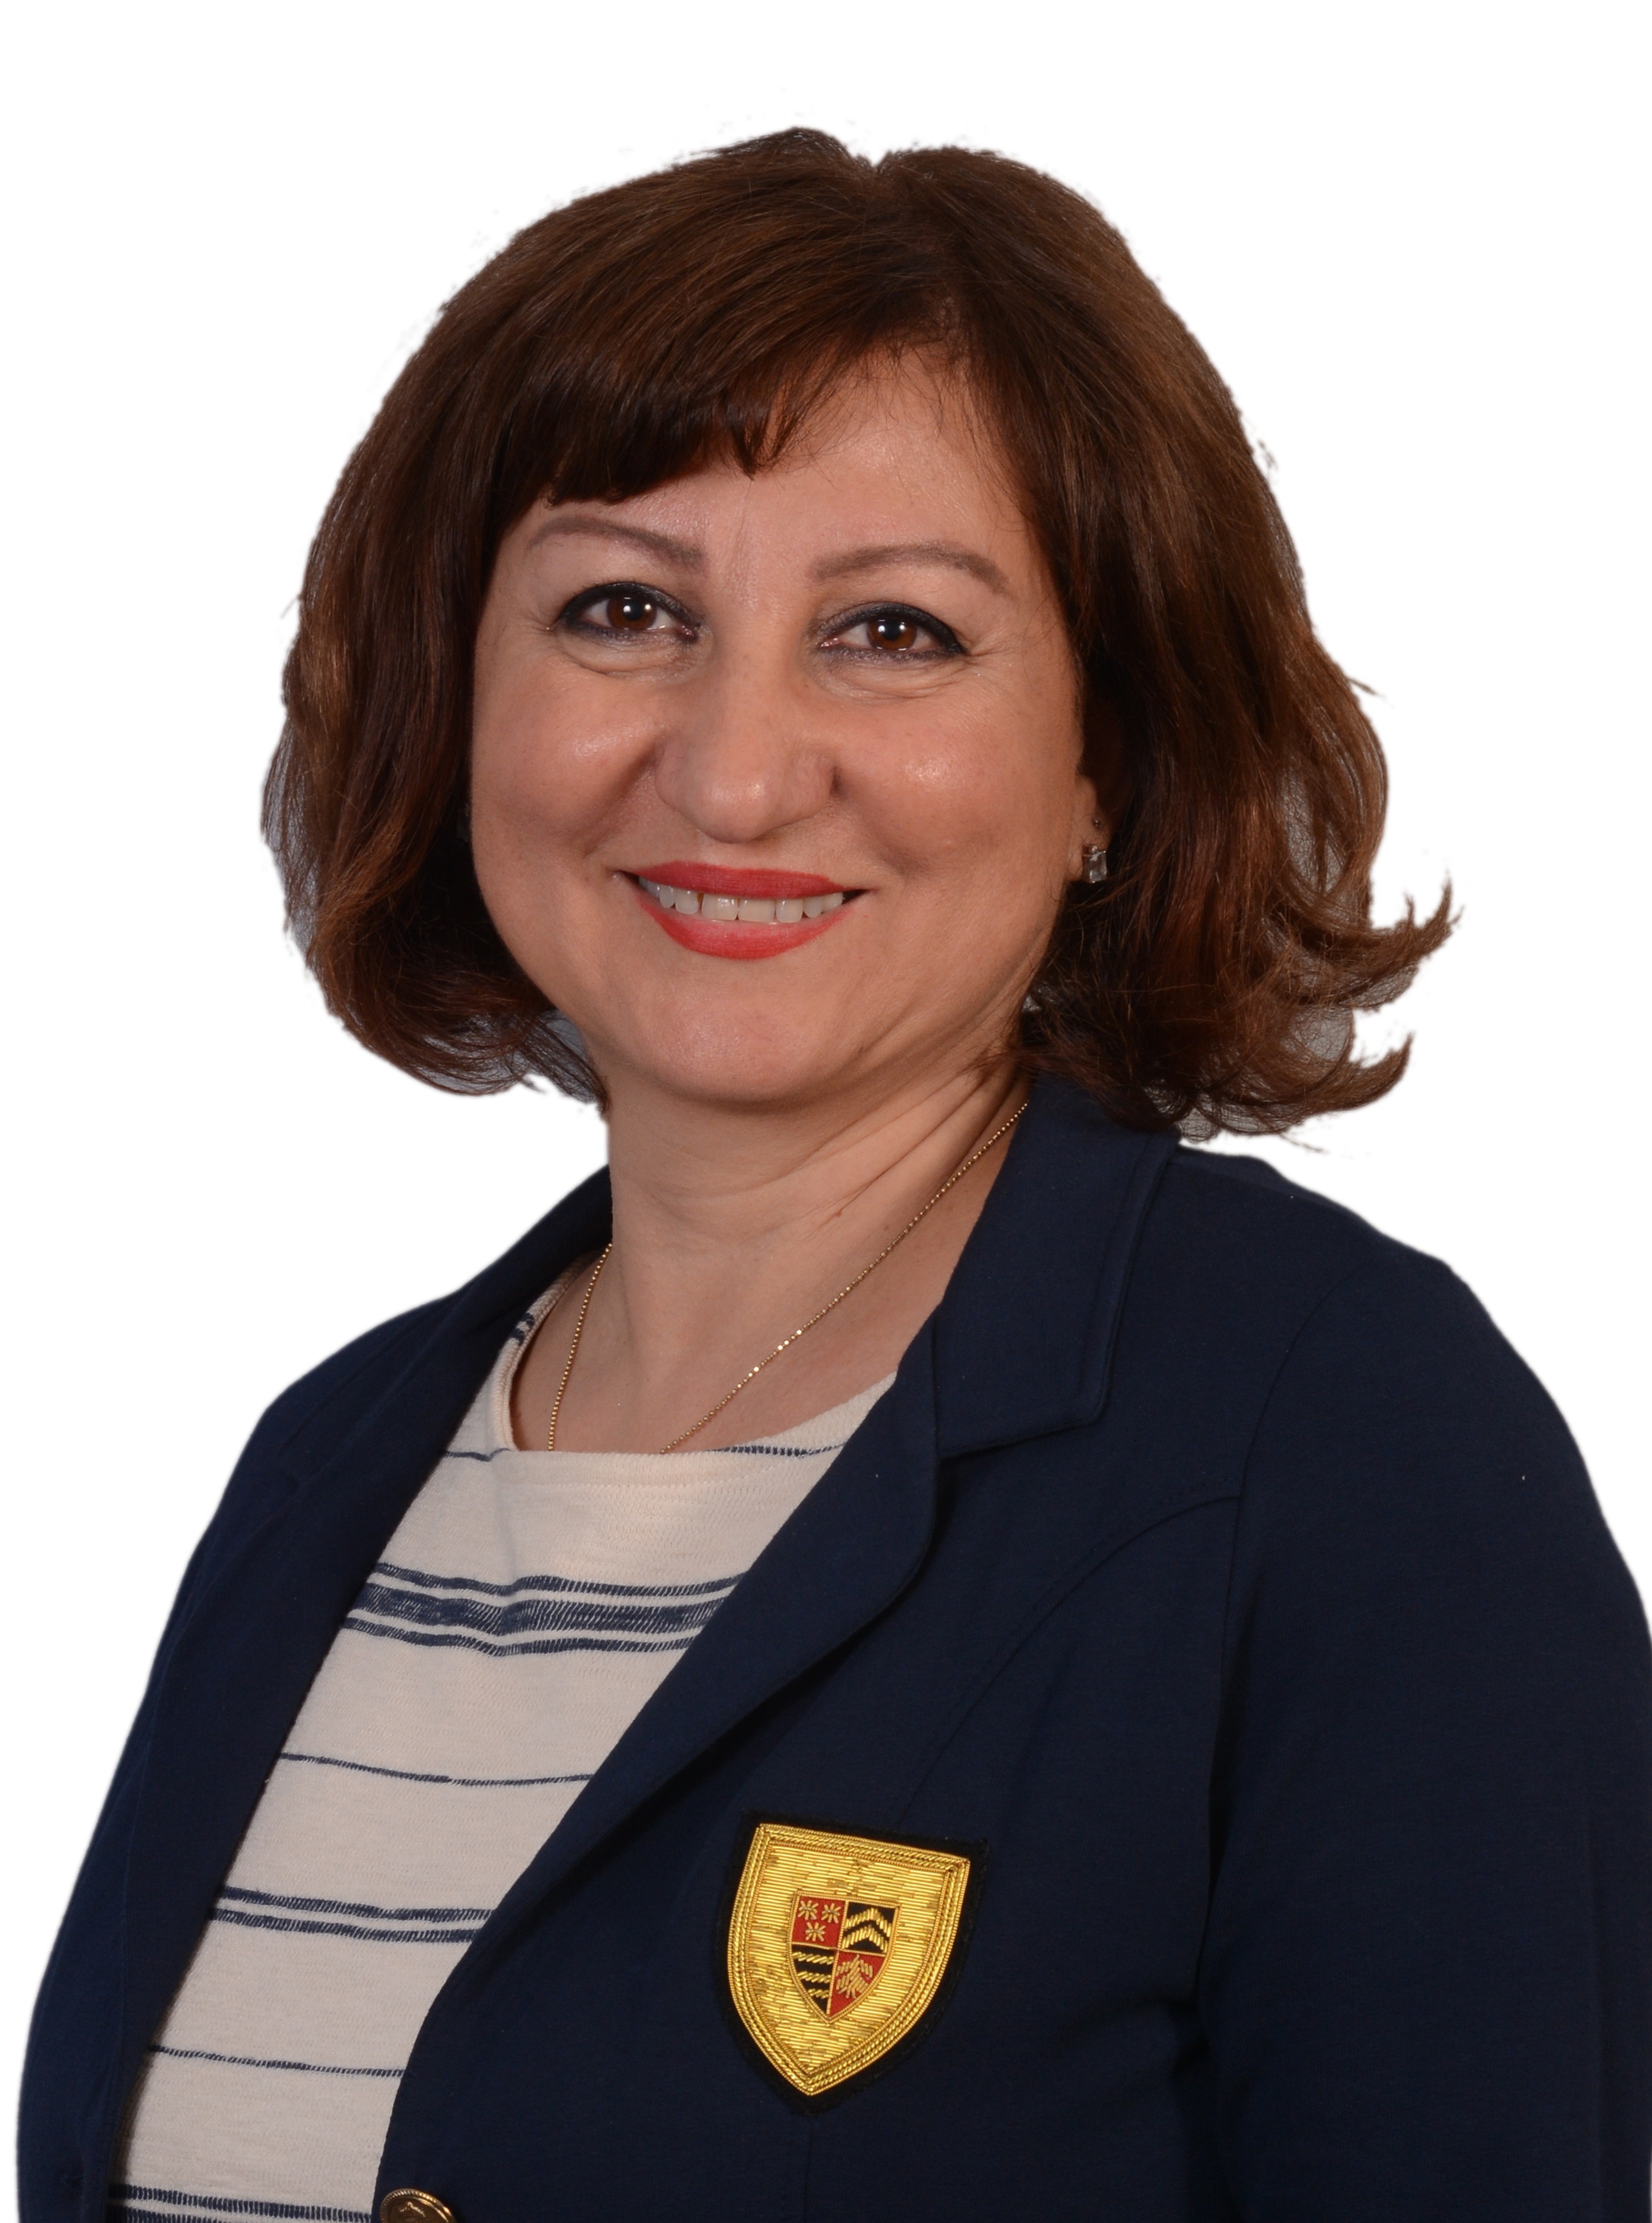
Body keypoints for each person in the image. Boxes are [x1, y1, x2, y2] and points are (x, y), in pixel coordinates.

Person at [20, 130, 1650, 2223]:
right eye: (622, 609)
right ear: (452, 694)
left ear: (1105, 761)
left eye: (892, 631)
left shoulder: (1337, 1446)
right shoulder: (325, 1470)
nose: (732, 769)